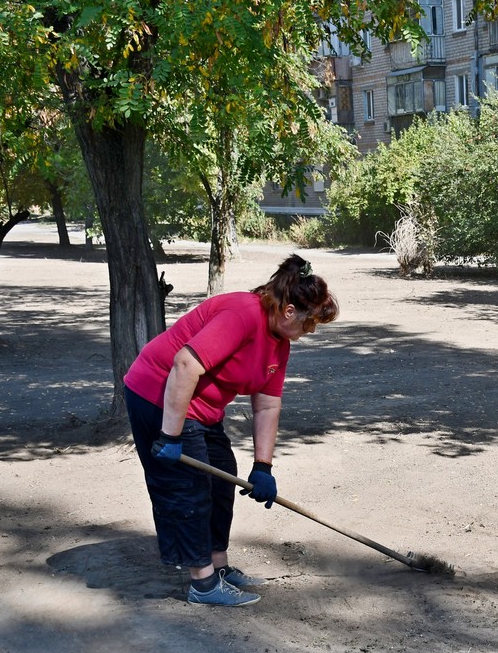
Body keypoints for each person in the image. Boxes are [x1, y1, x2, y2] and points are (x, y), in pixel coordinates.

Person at [124, 255, 339, 606]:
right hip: (159, 397)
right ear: (288, 312)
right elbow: (183, 365)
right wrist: (170, 435)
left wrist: (263, 467)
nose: (308, 332)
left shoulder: (279, 343)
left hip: (202, 407)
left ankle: (218, 566)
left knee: (223, 478)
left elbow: (267, 404)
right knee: (186, 488)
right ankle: (203, 584)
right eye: (309, 323)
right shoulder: (242, 314)